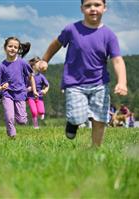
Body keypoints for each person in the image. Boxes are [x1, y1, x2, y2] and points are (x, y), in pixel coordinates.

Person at [39, 0, 128, 146]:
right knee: (77, 117)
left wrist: (122, 82)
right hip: (74, 83)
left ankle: (95, 149)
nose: (92, 9)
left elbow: (117, 60)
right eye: (88, 5)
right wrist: (45, 60)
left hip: (100, 83)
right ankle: (72, 123)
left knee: (100, 118)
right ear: (82, 9)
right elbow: (56, 44)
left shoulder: (109, 35)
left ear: (104, 8)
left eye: (97, 5)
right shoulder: (72, 29)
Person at [0, 36, 38, 138]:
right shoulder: (2, 66)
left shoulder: (22, 63)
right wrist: (0, 88)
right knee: (9, 117)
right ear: (5, 48)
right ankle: (12, 136)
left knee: (22, 121)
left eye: (15, 47)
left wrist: (34, 90)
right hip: (7, 93)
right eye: (10, 46)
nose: (12, 48)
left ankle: (22, 118)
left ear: (18, 50)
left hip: (20, 93)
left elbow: (31, 77)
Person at [27, 56, 49, 129]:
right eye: (38, 63)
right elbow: (22, 86)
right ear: (33, 65)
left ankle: (42, 113)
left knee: (41, 111)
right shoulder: (28, 76)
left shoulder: (41, 76)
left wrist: (45, 90)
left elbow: (47, 85)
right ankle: (36, 126)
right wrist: (27, 89)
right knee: (34, 112)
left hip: (39, 96)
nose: (40, 65)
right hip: (30, 97)